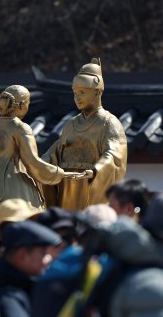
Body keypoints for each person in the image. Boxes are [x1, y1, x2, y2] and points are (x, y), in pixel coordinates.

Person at [0, 85, 84, 209]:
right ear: (22, 105)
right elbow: (32, 163)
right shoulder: (21, 129)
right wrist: (60, 173)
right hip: (14, 191)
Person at [42, 58, 128, 211]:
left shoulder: (108, 123)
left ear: (97, 92)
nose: (77, 98)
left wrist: (95, 171)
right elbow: (56, 151)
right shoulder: (71, 124)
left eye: (82, 92)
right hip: (67, 187)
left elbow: (114, 155)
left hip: (90, 185)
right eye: (75, 93)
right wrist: (39, 164)